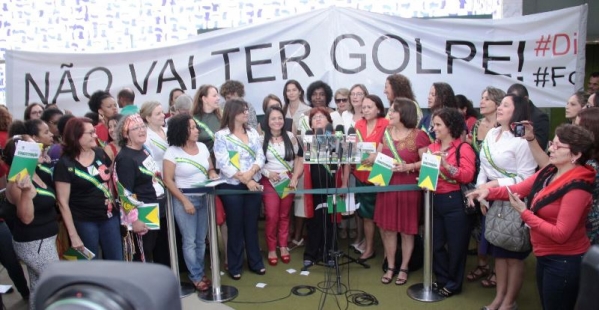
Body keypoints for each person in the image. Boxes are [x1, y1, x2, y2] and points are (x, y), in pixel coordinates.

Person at [468, 124, 595, 310]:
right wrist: (487, 192)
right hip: (545, 255)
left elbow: (561, 233)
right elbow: (519, 189)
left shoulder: (577, 187)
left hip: (564, 260)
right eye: (553, 143)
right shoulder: (550, 171)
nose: (550, 148)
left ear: (575, 155)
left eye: (558, 146)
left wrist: (524, 213)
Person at [474, 94, 537, 310]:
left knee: (513, 255)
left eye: (505, 105)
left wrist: (493, 186)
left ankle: (509, 302)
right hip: (490, 198)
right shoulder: (492, 133)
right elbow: (483, 166)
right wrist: (481, 190)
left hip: (514, 200)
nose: (499, 108)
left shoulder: (523, 141)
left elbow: (526, 178)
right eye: (500, 105)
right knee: (498, 253)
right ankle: (498, 298)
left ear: (517, 111)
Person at [375, 98, 430, 285]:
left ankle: (404, 267)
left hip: (409, 188)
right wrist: (378, 179)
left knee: (407, 231)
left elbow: (429, 163)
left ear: (404, 113)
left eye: (393, 111)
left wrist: (409, 166)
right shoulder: (386, 132)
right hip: (387, 188)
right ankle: (390, 266)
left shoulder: (419, 136)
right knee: (388, 229)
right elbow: (381, 157)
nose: (389, 114)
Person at [54, 117, 123, 260]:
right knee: (91, 267)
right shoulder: (64, 164)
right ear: (76, 135)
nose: (96, 136)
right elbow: (63, 202)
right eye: (90, 133)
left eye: (95, 132)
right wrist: (73, 236)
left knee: (117, 262)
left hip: (109, 218)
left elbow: (113, 180)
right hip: (85, 222)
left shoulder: (100, 153)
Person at [163, 114, 218, 291]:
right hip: (184, 200)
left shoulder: (202, 147)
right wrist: (185, 201)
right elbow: (168, 180)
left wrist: (212, 174)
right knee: (190, 241)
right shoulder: (172, 152)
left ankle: (199, 272)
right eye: (192, 128)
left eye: (196, 127)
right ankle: (196, 276)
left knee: (201, 240)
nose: (197, 130)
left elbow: (210, 168)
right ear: (182, 131)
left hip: (204, 198)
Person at [4, 136, 59, 309]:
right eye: (35, 147)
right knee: (55, 283)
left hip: (45, 240)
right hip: (35, 243)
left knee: (38, 286)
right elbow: (26, 218)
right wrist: (27, 192)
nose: (40, 148)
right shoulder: (17, 182)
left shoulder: (36, 172)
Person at [214, 99, 266, 280]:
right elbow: (223, 163)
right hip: (231, 185)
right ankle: (234, 265)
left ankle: (255, 262)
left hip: (254, 182)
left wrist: (251, 174)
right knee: (235, 226)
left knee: (252, 225)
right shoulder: (221, 135)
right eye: (243, 111)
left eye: (246, 110)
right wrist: (244, 179)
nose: (246, 113)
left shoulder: (252, 133)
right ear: (232, 112)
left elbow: (260, 156)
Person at [427, 108, 476, 297]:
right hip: (434, 199)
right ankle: (442, 279)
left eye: (439, 124)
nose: (434, 128)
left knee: (457, 246)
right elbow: (428, 175)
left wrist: (446, 166)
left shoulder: (463, 148)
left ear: (450, 127)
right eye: (434, 124)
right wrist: (424, 179)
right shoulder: (432, 148)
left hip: (455, 201)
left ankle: (454, 284)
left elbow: (467, 175)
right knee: (435, 244)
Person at [466, 86, 506, 288]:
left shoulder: (504, 127)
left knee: (495, 227)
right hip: (474, 181)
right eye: (481, 98)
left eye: (486, 99)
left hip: (497, 184)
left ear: (498, 104)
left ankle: (498, 271)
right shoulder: (477, 125)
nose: (481, 102)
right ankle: (482, 264)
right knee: (477, 227)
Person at [114, 114, 166, 264]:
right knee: (143, 255)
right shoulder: (125, 158)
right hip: (142, 213)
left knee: (154, 251)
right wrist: (134, 220)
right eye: (135, 128)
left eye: (143, 126)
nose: (141, 130)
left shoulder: (144, 150)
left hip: (155, 208)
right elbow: (124, 193)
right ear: (125, 133)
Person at [260, 106, 303, 266]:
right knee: (272, 216)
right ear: (267, 121)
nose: (277, 121)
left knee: (285, 215)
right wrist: (267, 173)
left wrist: (295, 177)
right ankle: (272, 248)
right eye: (273, 119)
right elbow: (255, 162)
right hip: (269, 181)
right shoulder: (261, 138)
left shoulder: (290, 136)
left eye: (280, 118)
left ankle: (283, 246)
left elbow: (299, 158)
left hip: (287, 180)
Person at [351, 94, 389, 262]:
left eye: (369, 107)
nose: (365, 110)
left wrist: (376, 155)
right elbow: (355, 146)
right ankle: (369, 248)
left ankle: (389, 254)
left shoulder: (386, 124)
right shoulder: (358, 124)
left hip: (380, 175)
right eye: (363, 107)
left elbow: (390, 147)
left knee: (383, 215)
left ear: (378, 108)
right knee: (366, 215)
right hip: (361, 173)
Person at [302, 107, 338, 269]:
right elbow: (298, 161)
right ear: (310, 123)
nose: (317, 119)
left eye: (321, 116)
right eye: (314, 117)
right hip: (313, 188)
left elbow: (344, 164)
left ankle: (330, 252)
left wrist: (343, 185)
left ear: (329, 122)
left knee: (331, 221)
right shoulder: (307, 140)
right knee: (314, 221)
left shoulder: (336, 139)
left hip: (333, 186)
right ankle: (311, 253)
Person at [281, 80, 311, 249]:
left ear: (300, 91)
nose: (291, 93)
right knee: (286, 199)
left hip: (301, 158)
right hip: (283, 160)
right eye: (288, 90)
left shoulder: (307, 110)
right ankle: (290, 232)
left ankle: (299, 235)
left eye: (294, 90)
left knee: (299, 198)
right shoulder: (282, 110)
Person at [507, 83, 550, 150]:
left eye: (516, 101)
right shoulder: (508, 114)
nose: (514, 105)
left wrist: (530, 136)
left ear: (526, 99)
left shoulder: (539, 117)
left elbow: (541, 145)